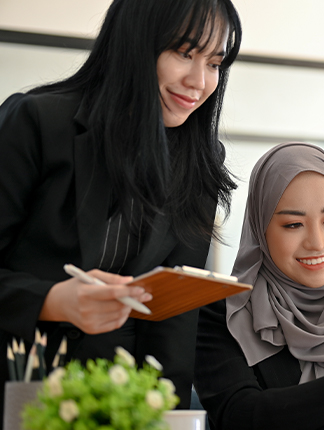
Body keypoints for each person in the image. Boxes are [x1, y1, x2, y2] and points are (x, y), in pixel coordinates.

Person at [0, 0, 242, 420]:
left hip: (114, 401)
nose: (200, 81)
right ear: (135, 43)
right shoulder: (36, 121)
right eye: (183, 53)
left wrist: (165, 417)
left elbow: (173, 320)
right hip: (18, 385)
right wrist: (51, 300)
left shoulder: (200, 156)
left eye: (214, 62)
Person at [194, 143, 324, 430]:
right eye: (294, 225)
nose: (317, 242)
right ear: (261, 230)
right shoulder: (223, 311)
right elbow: (240, 417)